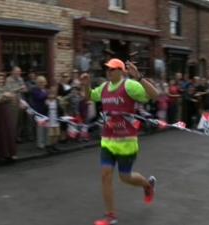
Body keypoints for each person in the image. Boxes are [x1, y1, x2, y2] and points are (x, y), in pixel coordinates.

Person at [81, 58, 159, 225]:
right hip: (108, 141)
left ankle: (147, 185)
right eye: (107, 69)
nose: (108, 71)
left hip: (127, 142)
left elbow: (155, 96)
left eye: (112, 69)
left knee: (125, 177)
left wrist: (139, 78)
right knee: (105, 176)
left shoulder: (130, 85)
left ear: (121, 71)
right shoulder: (104, 87)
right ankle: (110, 215)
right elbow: (89, 96)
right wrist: (86, 84)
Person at [6, 67, 27, 143]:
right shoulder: (8, 80)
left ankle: (18, 136)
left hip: (20, 102)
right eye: (17, 72)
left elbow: (25, 89)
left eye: (19, 72)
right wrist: (19, 88)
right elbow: (9, 91)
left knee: (20, 121)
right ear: (12, 72)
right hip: (13, 103)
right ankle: (11, 137)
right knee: (13, 121)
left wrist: (22, 89)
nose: (18, 73)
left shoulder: (20, 79)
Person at [31, 76, 49, 149]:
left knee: (46, 128)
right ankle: (40, 144)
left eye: (43, 82)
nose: (42, 83)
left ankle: (47, 142)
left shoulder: (45, 90)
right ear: (37, 83)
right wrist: (47, 93)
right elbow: (39, 97)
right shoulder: (35, 90)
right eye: (40, 82)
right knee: (40, 129)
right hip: (39, 112)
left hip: (46, 112)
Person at [45, 85, 63, 151]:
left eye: (54, 93)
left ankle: (54, 145)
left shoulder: (57, 101)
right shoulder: (47, 101)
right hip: (50, 119)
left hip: (56, 118)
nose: (52, 95)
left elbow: (61, 110)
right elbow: (44, 110)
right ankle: (49, 146)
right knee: (51, 134)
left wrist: (61, 104)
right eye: (51, 93)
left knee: (57, 134)